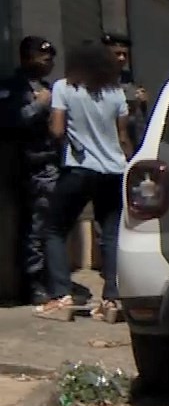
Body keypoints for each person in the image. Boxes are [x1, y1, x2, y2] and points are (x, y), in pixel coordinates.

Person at [35, 41, 129, 321]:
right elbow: (123, 137)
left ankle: (62, 296)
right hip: (114, 171)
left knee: (54, 229)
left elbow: (57, 129)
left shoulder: (65, 87)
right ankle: (112, 298)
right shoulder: (116, 93)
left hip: (78, 169)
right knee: (111, 234)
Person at [0, 37, 58, 303]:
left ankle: (41, 279)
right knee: (34, 228)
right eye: (42, 57)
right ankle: (33, 283)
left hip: (45, 165)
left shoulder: (46, 87)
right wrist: (40, 105)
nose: (48, 63)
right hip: (26, 167)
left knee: (43, 226)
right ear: (26, 58)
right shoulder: (12, 88)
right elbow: (11, 121)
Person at [100, 32, 149, 149]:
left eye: (125, 54)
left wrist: (143, 103)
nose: (122, 58)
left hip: (132, 140)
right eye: (117, 54)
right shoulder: (97, 79)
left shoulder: (130, 78)